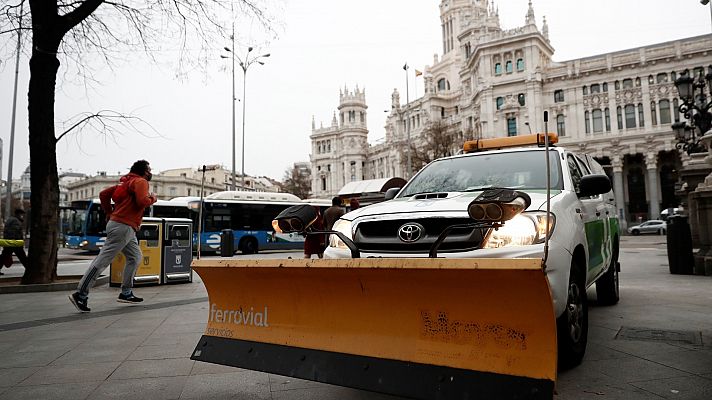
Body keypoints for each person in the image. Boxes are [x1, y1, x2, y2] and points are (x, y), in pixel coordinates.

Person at [69, 160, 157, 313]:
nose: (151, 172)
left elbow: (103, 194)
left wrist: (109, 212)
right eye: (149, 169)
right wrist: (153, 198)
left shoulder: (125, 183)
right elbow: (143, 201)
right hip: (124, 226)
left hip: (124, 226)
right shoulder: (141, 181)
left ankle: (126, 292)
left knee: (135, 257)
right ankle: (81, 294)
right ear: (144, 171)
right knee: (103, 260)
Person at [1, 209, 29, 273]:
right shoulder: (16, 221)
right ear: (19, 214)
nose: (22, 216)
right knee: (22, 256)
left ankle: (28, 269)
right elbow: (14, 232)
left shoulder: (10, 219)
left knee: (4, 256)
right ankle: (29, 269)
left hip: (8, 241)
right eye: (22, 215)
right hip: (14, 242)